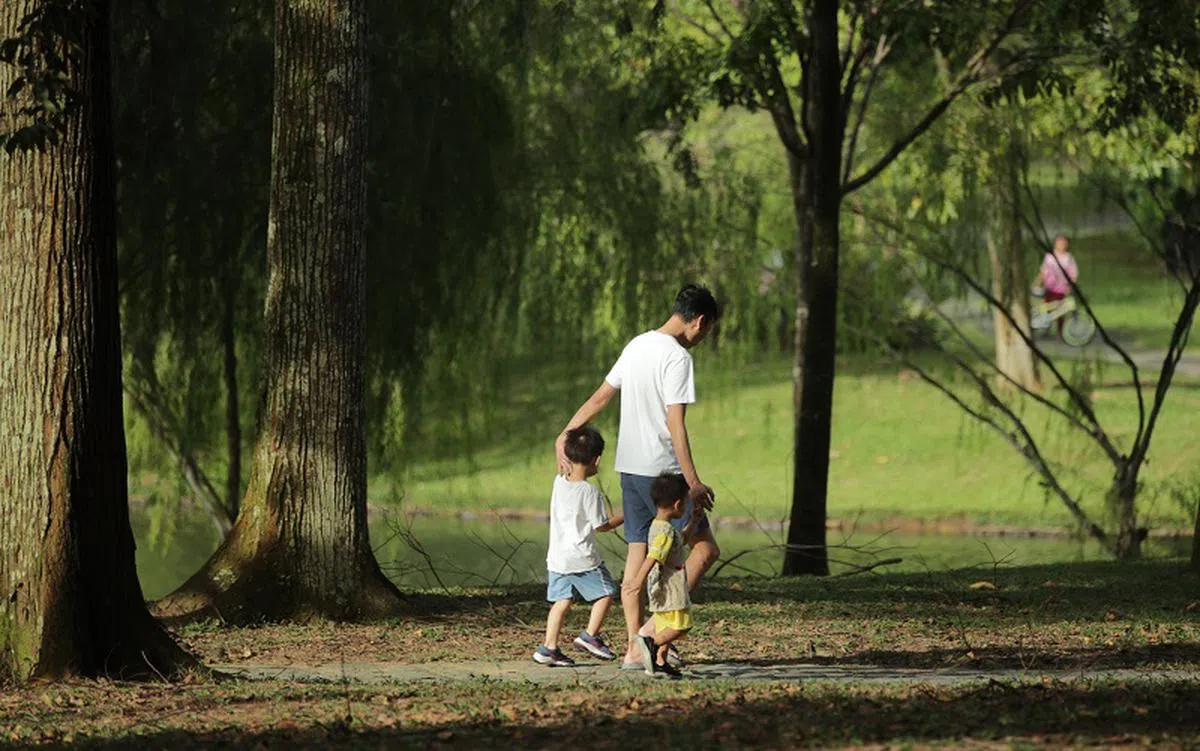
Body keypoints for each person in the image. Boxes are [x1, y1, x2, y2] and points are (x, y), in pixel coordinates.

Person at [554, 284, 721, 670]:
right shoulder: (678, 359)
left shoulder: (637, 345)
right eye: (705, 331)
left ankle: (633, 649)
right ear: (699, 321)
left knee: (637, 555)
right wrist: (693, 482)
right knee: (704, 549)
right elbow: (675, 425)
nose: (700, 339)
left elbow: (598, 398)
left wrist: (565, 434)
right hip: (664, 473)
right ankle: (648, 634)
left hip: (629, 470)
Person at [533, 425, 624, 667]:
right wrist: (627, 515)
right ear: (597, 460)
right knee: (606, 593)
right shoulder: (589, 492)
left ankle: (549, 647)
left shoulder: (558, 482)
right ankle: (590, 636)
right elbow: (601, 525)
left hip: (558, 559)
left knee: (561, 602)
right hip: (583, 559)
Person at [627, 473, 701, 679]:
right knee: (682, 625)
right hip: (670, 587)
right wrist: (637, 581)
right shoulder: (665, 532)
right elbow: (654, 557)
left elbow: (680, 541)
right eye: (686, 503)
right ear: (678, 505)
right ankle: (651, 642)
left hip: (663, 585)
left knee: (665, 624)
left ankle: (659, 661)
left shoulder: (659, 526)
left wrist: (693, 522)